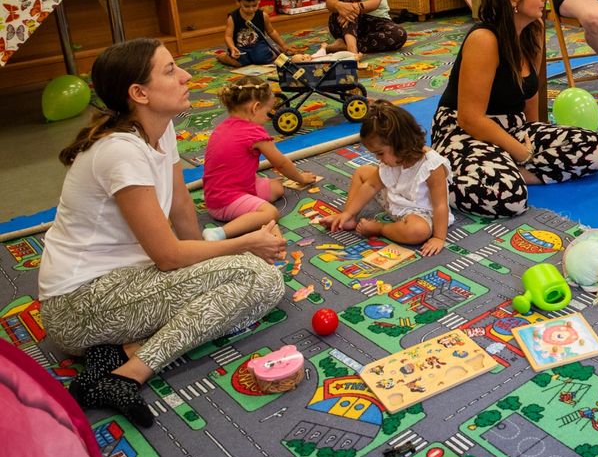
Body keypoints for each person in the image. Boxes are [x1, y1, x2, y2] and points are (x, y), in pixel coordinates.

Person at [37, 38, 286, 426]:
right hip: (78, 306)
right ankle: (128, 373)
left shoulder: (159, 129)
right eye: (170, 71)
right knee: (261, 278)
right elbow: (168, 256)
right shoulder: (119, 151)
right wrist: (246, 245)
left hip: (124, 286)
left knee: (251, 276)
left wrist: (219, 259)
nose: (187, 76)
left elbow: (183, 211)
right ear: (139, 93)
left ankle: (116, 351)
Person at [432, 0, 598, 217]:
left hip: (513, 129)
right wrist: (523, 154)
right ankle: (430, 182)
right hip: (464, 130)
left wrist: (534, 136)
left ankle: (507, 169)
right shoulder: (484, 39)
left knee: (597, 148)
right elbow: (470, 118)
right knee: (510, 198)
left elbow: (529, 98)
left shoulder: (533, 32)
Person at [323, 101, 451, 256]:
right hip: (394, 198)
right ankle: (349, 219)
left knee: (418, 231)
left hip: (418, 212)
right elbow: (371, 185)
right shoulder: (392, 160)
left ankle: (380, 228)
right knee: (362, 172)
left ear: (401, 144)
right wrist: (348, 213)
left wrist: (438, 237)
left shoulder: (432, 165)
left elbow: (440, 206)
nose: (379, 158)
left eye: (380, 153)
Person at [201, 75, 319, 241]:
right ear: (255, 108)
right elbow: (282, 163)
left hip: (217, 192)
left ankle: (247, 209)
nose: (268, 118)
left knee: (277, 187)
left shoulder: (222, 127)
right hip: (225, 202)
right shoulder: (254, 132)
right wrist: (300, 178)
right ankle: (220, 233)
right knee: (270, 213)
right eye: (267, 112)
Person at [219, 0, 300, 67]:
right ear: (237, 1)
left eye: (254, 5)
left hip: (258, 45)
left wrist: (283, 45)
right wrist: (232, 48)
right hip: (240, 48)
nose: (251, 9)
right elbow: (228, 36)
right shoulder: (232, 17)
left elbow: (271, 32)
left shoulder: (263, 15)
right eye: (246, 6)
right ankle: (223, 57)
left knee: (261, 59)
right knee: (239, 63)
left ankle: (276, 49)